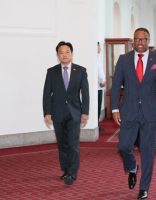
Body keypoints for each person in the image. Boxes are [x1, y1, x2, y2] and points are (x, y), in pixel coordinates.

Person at [110, 27, 156, 200]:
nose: (140, 42)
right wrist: (114, 108)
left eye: (143, 39)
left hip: (151, 112)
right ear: (133, 41)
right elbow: (116, 86)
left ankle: (144, 188)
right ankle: (132, 167)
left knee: (148, 151)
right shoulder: (123, 60)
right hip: (128, 111)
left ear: (148, 41)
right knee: (123, 147)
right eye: (137, 39)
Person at [43, 41, 89, 186]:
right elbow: (46, 94)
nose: (64, 54)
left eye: (67, 51)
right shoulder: (51, 71)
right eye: (61, 52)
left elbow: (85, 94)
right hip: (57, 113)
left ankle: (72, 173)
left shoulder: (81, 71)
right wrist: (47, 112)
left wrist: (85, 112)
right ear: (57, 56)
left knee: (73, 144)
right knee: (62, 144)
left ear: (72, 54)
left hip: (75, 114)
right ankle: (65, 170)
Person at [97, 42, 106, 125]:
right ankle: (96, 125)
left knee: (98, 107)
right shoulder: (95, 59)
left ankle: (97, 124)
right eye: (98, 46)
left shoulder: (97, 57)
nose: (100, 48)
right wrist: (103, 81)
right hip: (98, 87)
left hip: (99, 87)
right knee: (97, 107)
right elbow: (99, 72)